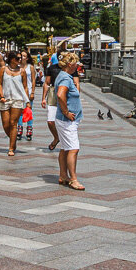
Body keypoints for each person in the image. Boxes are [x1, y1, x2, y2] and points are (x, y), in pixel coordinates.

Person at [54, 53, 85, 190]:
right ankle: (73, 179)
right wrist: (66, 112)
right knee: (73, 148)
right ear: (69, 65)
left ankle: (63, 175)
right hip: (67, 121)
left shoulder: (63, 76)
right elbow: (60, 95)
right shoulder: (66, 78)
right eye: (76, 63)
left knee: (65, 148)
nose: (77, 66)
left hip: (63, 120)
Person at [0, 51, 32, 156]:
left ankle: (11, 148)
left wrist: (27, 101)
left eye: (20, 58)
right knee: (5, 124)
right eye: (18, 58)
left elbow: (25, 86)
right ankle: (13, 141)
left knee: (13, 123)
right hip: (5, 99)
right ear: (12, 59)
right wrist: (1, 96)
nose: (20, 60)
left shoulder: (22, 71)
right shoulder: (3, 69)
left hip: (18, 99)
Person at [42, 50, 63, 150]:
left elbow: (76, 83)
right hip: (53, 93)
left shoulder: (70, 69)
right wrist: (43, 98)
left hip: (66, 95)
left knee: (63, 121)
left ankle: (64, 141)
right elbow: (46, 83)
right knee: (50, 121)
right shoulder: (52, 68)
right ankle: (56, 137)